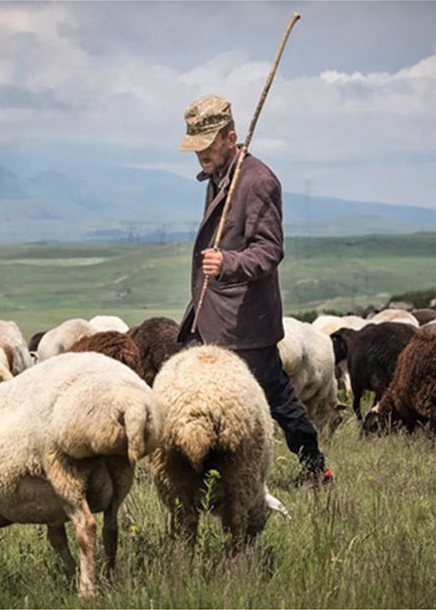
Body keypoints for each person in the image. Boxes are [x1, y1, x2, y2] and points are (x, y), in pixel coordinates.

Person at [175, 93, 333, 489]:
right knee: (188, 386)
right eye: (195, 148)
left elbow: (269, 250)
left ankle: (316, 470)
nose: (200, 155)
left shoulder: (257, 180)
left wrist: (228, 263)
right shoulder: (219, 176)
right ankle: (198, 472)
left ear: (230, 138)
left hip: (245, 320)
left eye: (206, 146)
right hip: (211, 312)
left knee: (277, 397)